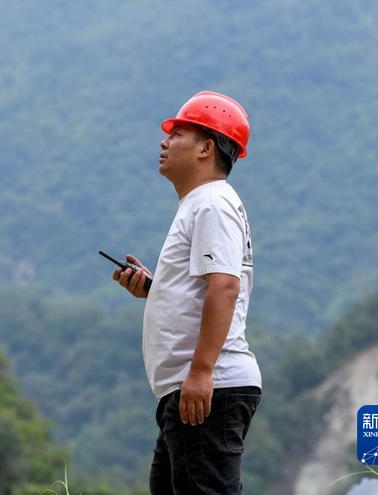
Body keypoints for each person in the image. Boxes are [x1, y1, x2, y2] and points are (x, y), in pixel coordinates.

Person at [111, 91, 262, 494]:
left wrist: (201, 372)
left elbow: (224, 288)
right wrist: (157, 288)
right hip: (190, 389)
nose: (164, 142)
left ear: (206, 148)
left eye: (177, 134)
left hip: (208, 386)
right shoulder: (201, 204)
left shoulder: (211, 203)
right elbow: (205, 287)